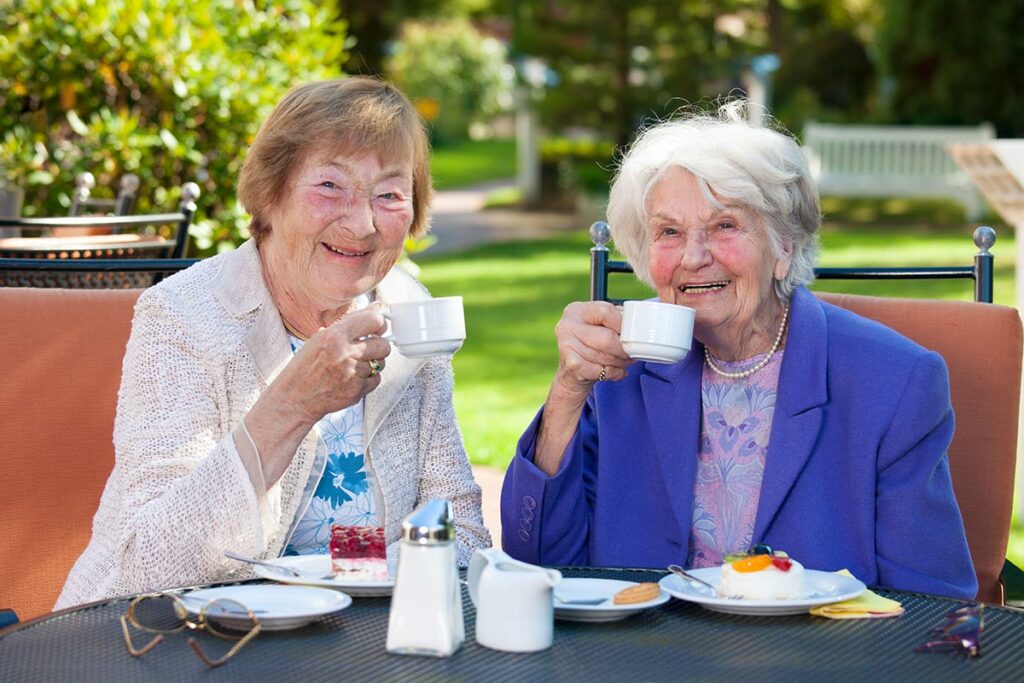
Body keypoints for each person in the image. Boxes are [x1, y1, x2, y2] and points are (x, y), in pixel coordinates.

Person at [500, 102, 977, 600]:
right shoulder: (621, 369)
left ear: (785, 246)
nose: (693, 256)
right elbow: (537, 563)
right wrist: (568, 391)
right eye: (669, 232)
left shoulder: (894, 382)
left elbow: (934, 605)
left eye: (725, 224)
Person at [57, 78, 490, 608]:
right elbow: (150, 566)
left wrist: (332, 575)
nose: (362, 223)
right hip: (170, 639)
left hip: (347, 643)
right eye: (331, 186)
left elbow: (463, 539)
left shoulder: (409, 309)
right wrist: (290, 407)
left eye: (389, 195)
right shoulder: (182, 316)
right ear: (271, 193)